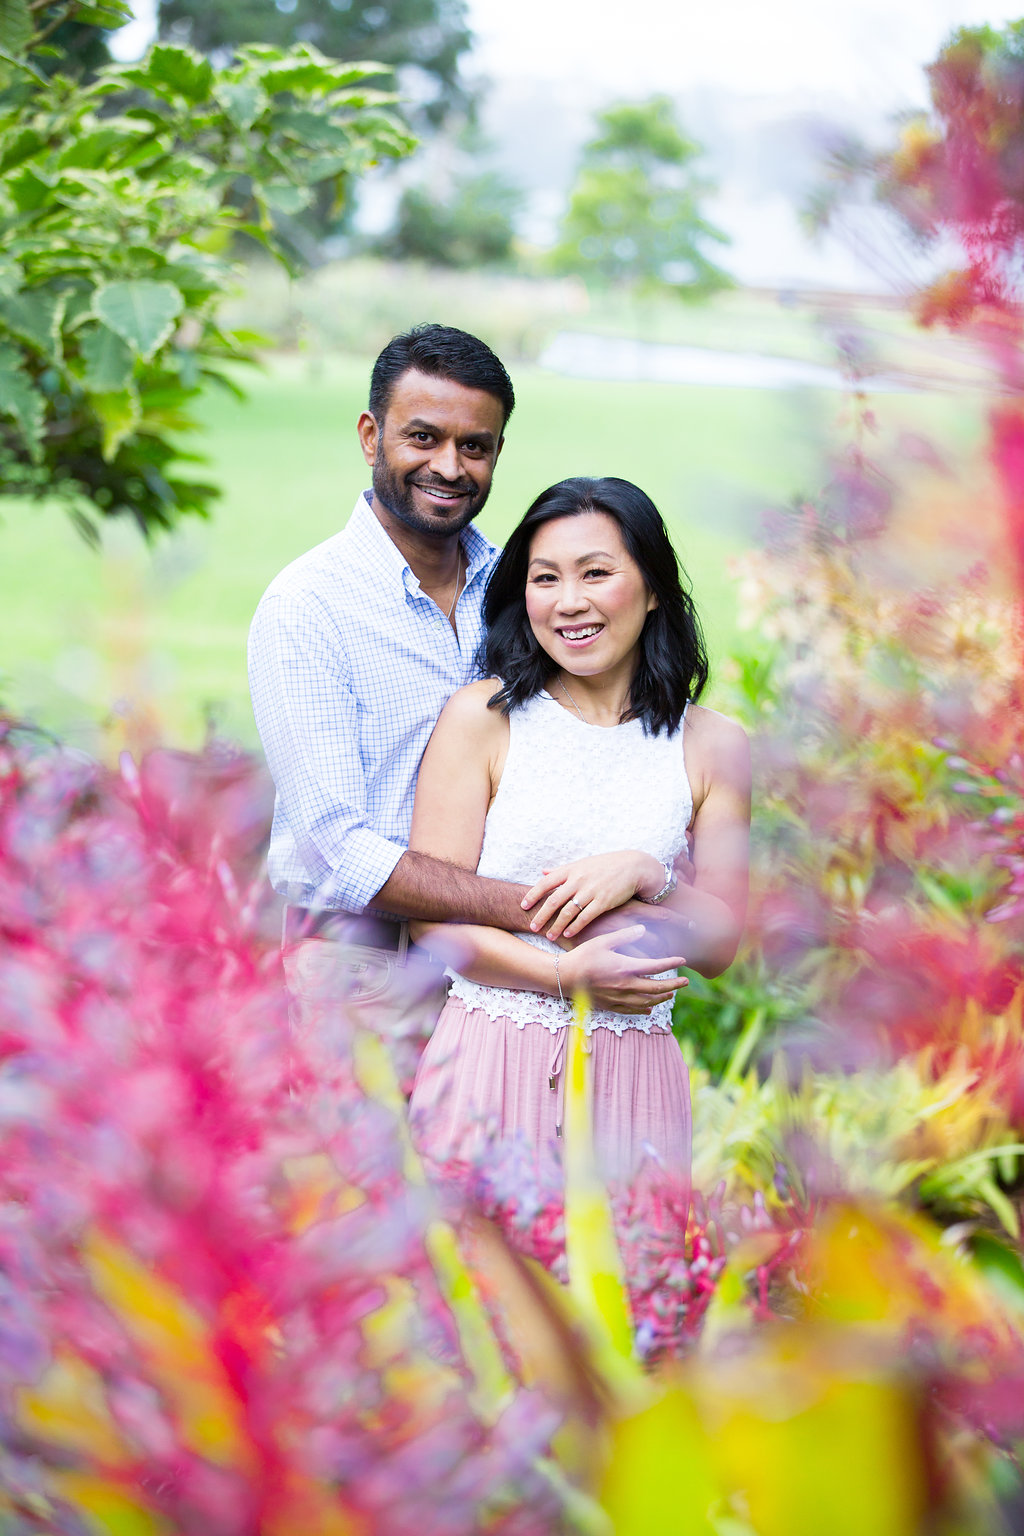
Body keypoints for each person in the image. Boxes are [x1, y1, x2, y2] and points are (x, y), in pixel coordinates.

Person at [248, 326, 688, 1048]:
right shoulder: (308, 606)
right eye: (422, 437)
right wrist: (553, 911)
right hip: (366, 969)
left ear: (496, 453)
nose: (448, 466)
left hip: (509, 981)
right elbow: (339, 849)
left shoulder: (520, 589)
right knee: (369, 1162)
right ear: (370, 435)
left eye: (474, 446)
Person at [406, 476, 750, 1188]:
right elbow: (429, 923)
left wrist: (648, 875)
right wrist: (563, 976)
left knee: (623, 1296)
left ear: (653, 589)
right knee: (478, 1295)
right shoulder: (482, 719)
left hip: (635, 1082)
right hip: (489, 1062)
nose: (569, 602)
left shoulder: (714, 744)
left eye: (597, 573)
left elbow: (720, 944)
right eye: (545, 578)